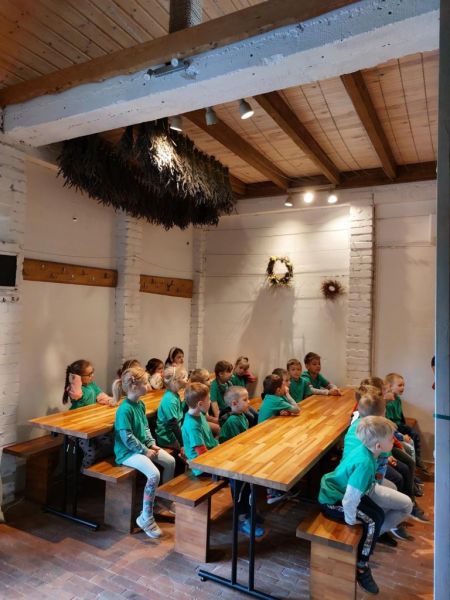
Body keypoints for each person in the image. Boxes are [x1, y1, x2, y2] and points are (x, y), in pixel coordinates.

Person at [319, 416, 398, 594]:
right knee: (372, 521)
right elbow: (349, 499)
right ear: (378, 446)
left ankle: (368, 547)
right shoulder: (365, 464)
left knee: (378, 514)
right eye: (391, 438)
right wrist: (350, 519)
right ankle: (362, 566)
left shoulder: (367, 451)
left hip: (343, 493)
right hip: (332, 500)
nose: (393, 440)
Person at [113, 366, 176, 538]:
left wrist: (151, 444)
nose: (149, 385)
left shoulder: (140, 404)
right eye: (146, 382)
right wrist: (144, 450)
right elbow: (127, 437)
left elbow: (145, 428)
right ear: (135, 386)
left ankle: (163, 499)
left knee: (170, 461)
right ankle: (145, 517)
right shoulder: (124, 410)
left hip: (143, 447)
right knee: (154, 474)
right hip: (127, 453)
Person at [344, 390, 413, 545]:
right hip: (360, 483)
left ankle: (379, 525)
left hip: (355, 477)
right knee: (406, 504)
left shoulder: (358, 425)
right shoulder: (375, 439)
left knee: (393, 487)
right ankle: (374, 533)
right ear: (380, 417)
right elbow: (374, 474)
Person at [218, 386, 265, 538]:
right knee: (240, 493)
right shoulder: (233, 421)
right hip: (233, 465)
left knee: (249, 490)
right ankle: (242, 520)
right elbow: (236, 444)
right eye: (245, 400)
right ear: (234, 403)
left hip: (241, 460)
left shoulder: (242, 416)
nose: (249, 402)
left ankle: (250, 513)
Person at [62, 359, 114, 468]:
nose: (92, 376)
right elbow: (77, 394)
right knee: (91, 452)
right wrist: (75, 377)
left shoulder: (92, 385)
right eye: (89, 374)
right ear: (78, 377)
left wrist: (111, 401)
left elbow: (101, 396)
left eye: (92, 372)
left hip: (91, 424)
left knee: (109, 441)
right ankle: (83, 471)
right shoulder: (74, 389)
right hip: (78, 428)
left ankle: (96, 467)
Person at [384, 372, 429, 474]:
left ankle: (417, 460)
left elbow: (400, 416)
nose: (403, 387)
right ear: (390, 387)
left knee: (414, 434)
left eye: (403, 385)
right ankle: (415, 462)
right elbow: (390, 422)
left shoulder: (398, 399)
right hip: (394, 427)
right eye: (400, 385)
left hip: (399, 425)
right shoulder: (389, 403)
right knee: (412, 436)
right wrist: (401, 435)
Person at [181, 382, 219, 476]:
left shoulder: (199, 414)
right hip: (203, 467)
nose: (210, 402)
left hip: (211, 455)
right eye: (209, 399)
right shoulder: (192, 426)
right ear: (200, 404)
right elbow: (202, 453)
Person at [155, 365, 187, 452]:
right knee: (190, 449)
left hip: (175, 432)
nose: (186, 379)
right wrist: (182, 444)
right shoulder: (170, 399)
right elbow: (173, 424)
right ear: (175, 381)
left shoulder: (174, 394)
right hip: (167, 437)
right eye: (183, 377)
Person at [189, 368, 220, 436]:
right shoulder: (196, 396)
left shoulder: (205, 392)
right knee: (218, 428)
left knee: (221, 422)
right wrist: (213, 420)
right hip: (196, 421)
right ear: (199, 383)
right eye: (207, 379)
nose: (211, 381)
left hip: (202, 418)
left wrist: (215, 419)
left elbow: (205, 414)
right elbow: (199, 417)